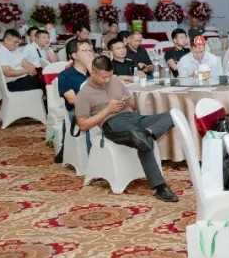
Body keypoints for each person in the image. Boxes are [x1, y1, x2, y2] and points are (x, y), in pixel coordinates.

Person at [75, 55, 177, 202]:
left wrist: (127, 101)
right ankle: (160, 187)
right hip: (112, 124)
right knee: (140, 138)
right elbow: (83, 125)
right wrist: (108, 110)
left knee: (173, 115)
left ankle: (147, 133)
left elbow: (133, 105)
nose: (107, 80)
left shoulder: (115, 80)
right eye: (104, 77)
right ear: (93, 72)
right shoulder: (84, 94)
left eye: (109, 76)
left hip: (133, 118)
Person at [58, 39, 93, 112]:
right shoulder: (65, 75)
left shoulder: (95, 71)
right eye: (85, 51)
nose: (90, 54)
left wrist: (91, 69)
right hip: (78, 111)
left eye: (90, 50)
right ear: (75, 55)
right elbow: (73, 100)